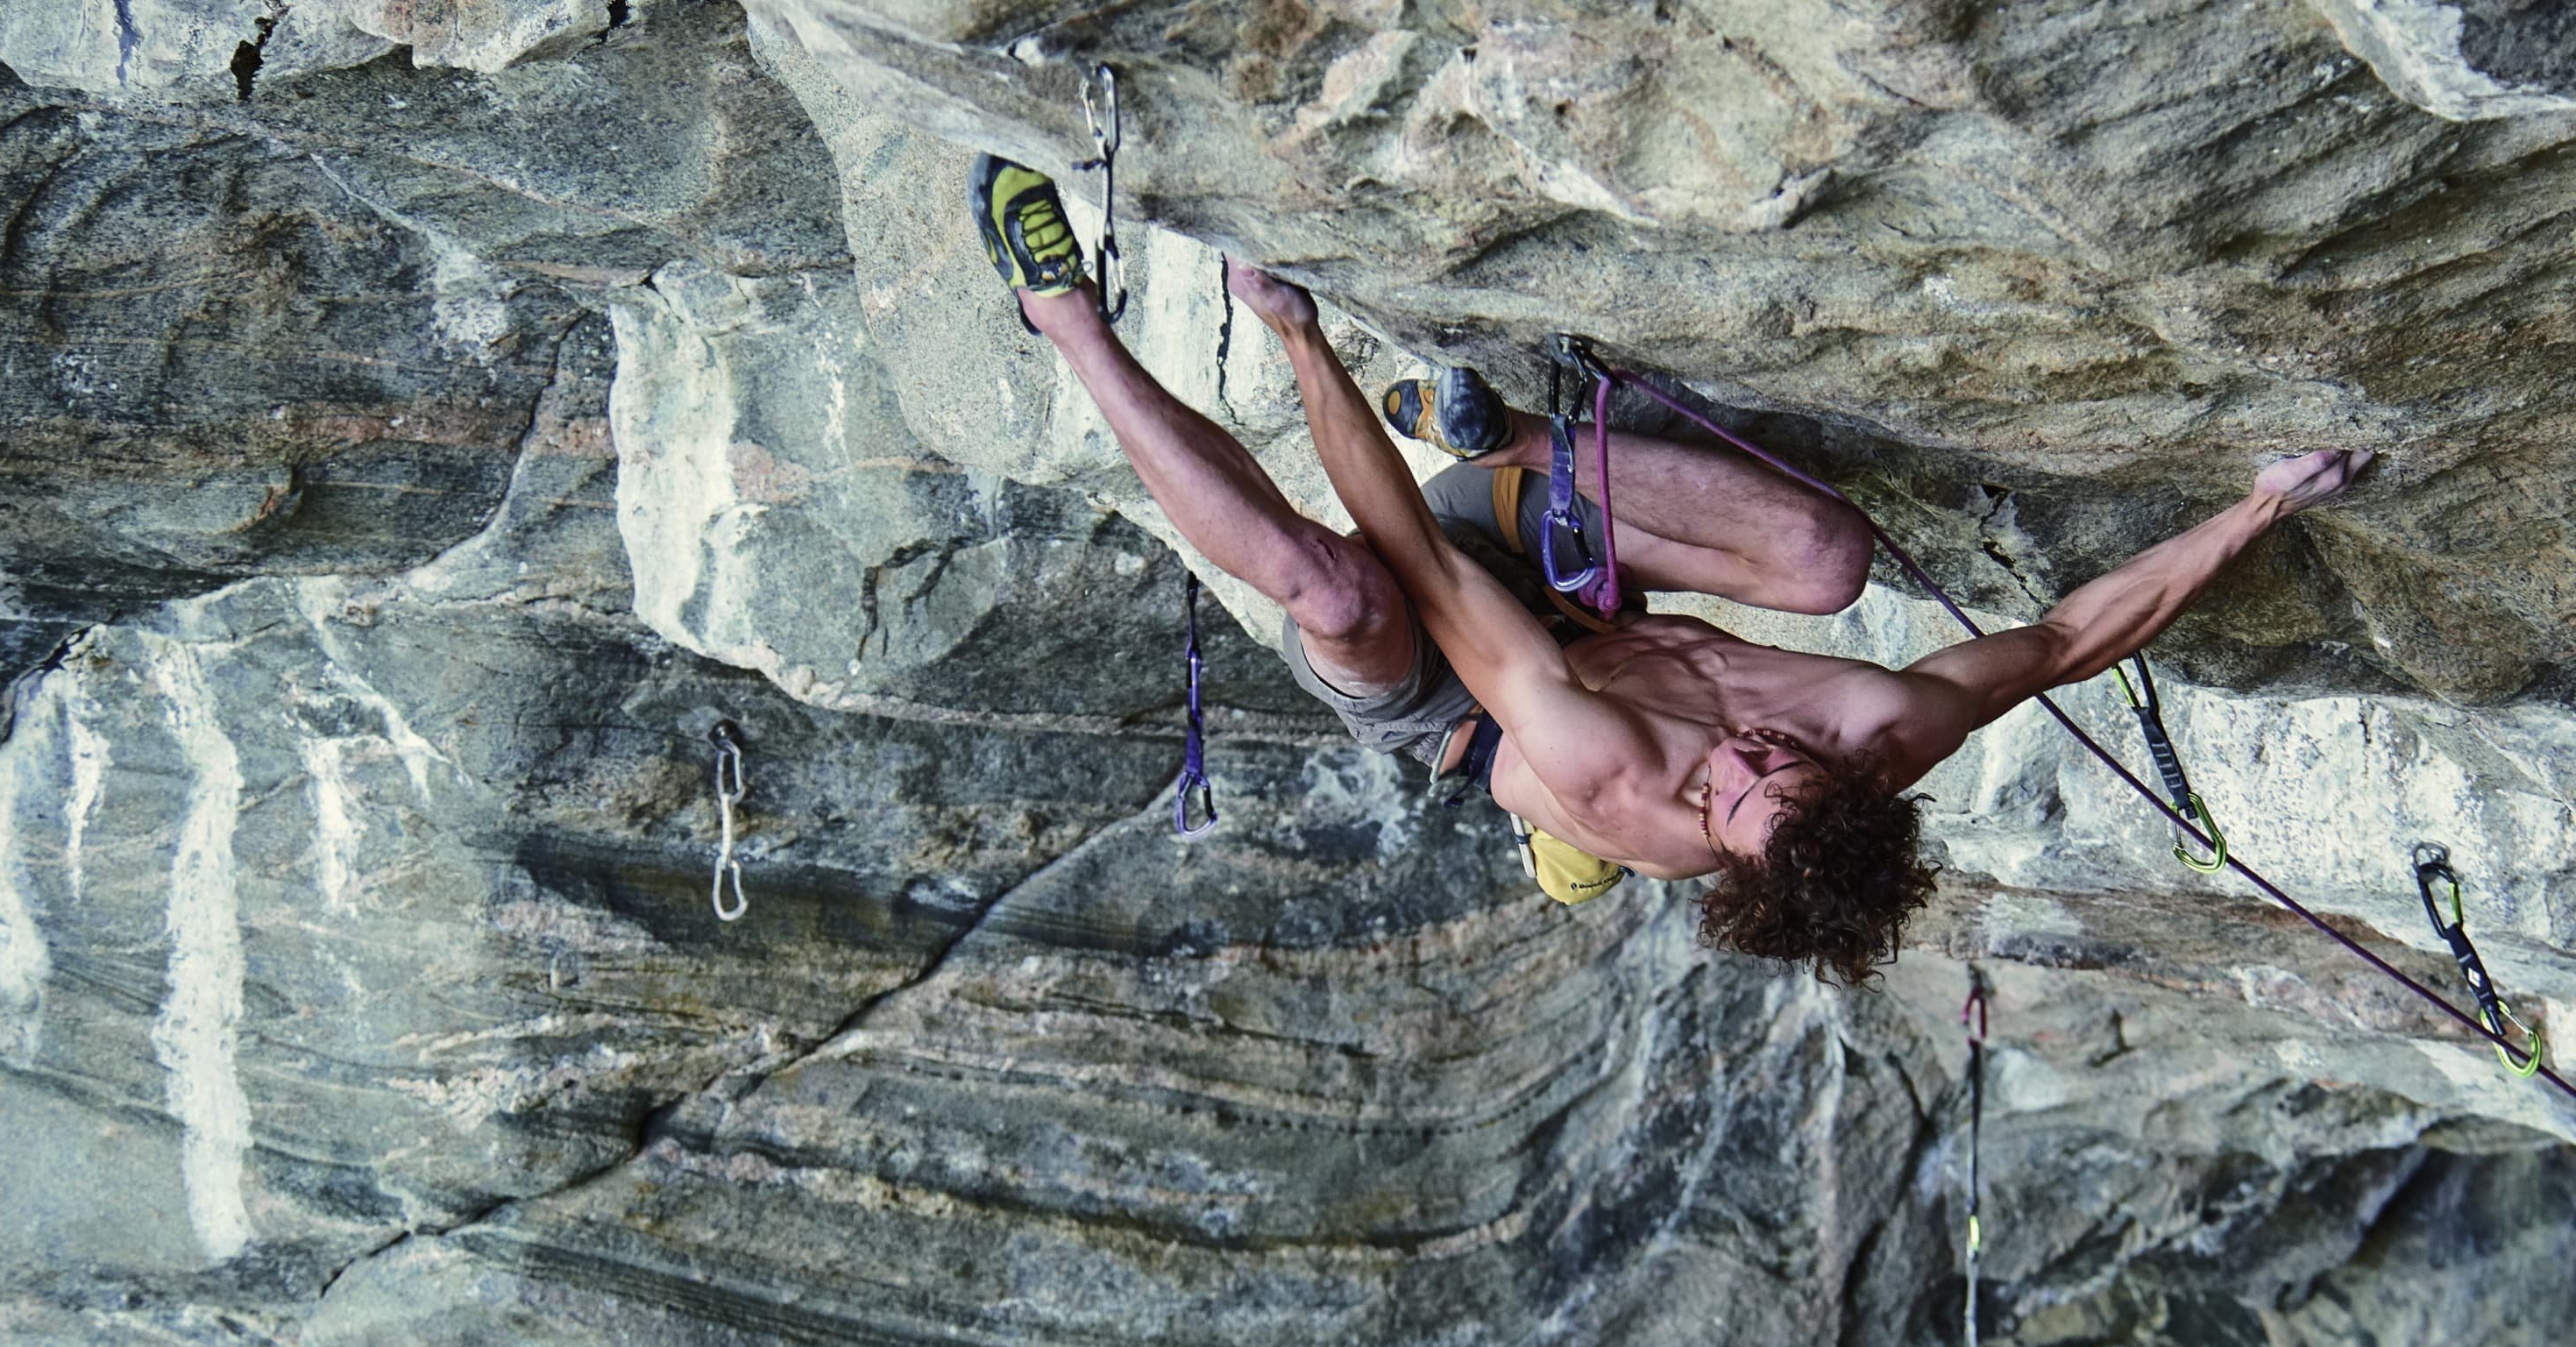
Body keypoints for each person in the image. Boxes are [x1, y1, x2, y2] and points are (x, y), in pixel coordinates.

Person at [969, 157, 2372, 982]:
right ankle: (1515, 435)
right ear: (1861, 774)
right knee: (1830, 560)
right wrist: (2255, 510)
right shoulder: (1888, 728)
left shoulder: (1616, 776)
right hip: (1572, 598)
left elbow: (1408, 563)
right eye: (1770, 764)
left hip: (1468, 700)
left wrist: (1296, 337)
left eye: (1727, 800)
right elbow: (2069, 643)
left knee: (1339, 592)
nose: (1733, 759)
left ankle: (1059, 317)